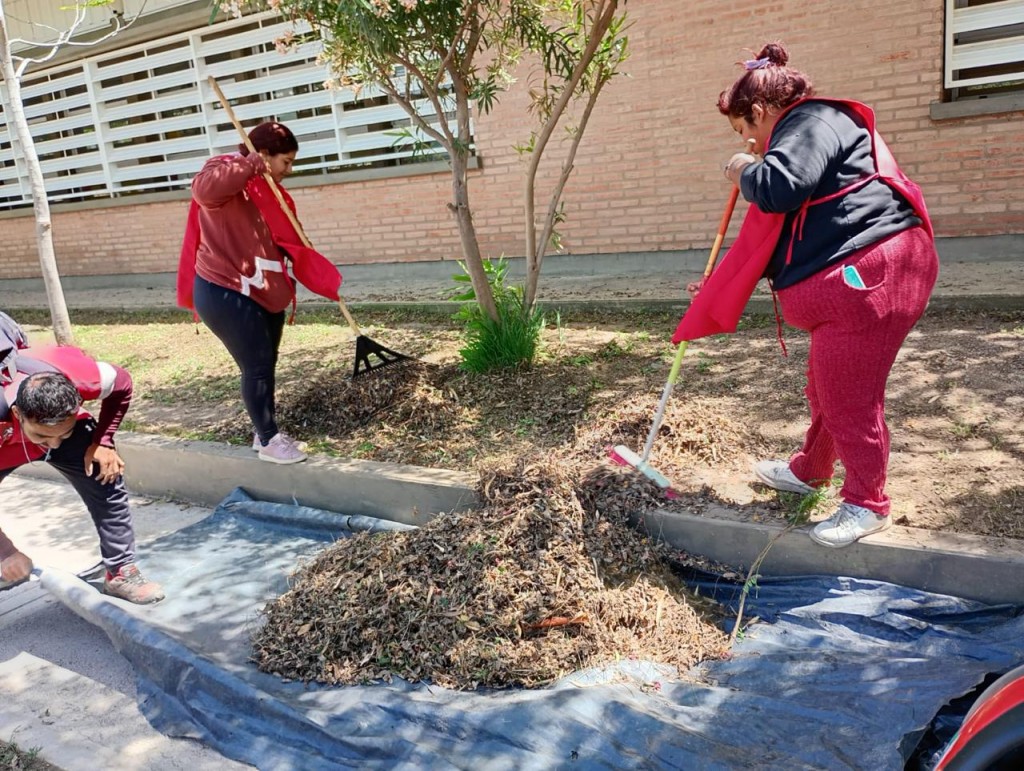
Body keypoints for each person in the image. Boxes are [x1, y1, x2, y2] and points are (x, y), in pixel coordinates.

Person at [689, 42, 938, 548]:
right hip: (855, 279)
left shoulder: (811, 122)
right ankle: (811, 470)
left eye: (747, 132)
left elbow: (780, 187)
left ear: (759, 112)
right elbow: (795, 233)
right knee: (829, 387)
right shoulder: (811, 134)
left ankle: (867, 503)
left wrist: (741, 168)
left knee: (849, 399)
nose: (753, 144)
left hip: (868, 280)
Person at [177, 121, 342, 465]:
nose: (289, 170)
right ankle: (269, 440)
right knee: (257, 365)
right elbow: (204, 191)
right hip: (224, 287)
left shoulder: (266, 187)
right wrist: (251, 163)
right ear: (265, 155)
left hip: (263, 289)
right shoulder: (224, 170)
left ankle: (262, 431)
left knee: (265, 364)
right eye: (286, 162)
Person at [0, 338, 165, 603]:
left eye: (61, 432)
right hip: (5, 445)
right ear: (18, 413)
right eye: (43, 435)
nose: (54, 443)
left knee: (105, 472)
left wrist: (103, 441)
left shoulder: (81, 377)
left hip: (60, 431)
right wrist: (6, 552)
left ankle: (121, 571)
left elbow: (121, 382)